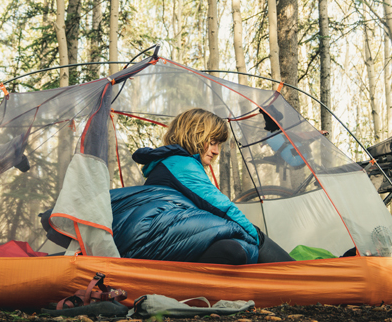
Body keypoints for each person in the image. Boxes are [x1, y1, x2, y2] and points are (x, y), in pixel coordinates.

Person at [109, 108, 294, 265]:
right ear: (194, 136)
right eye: (212, 143)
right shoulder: (180, 163)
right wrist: (255, 235)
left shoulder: (170, 162)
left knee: (235, 249)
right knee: (249, 234)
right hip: (149, 237)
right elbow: (220, 206)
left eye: (219, 145)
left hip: (150, 240)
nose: (216, 151)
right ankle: (295, 273)